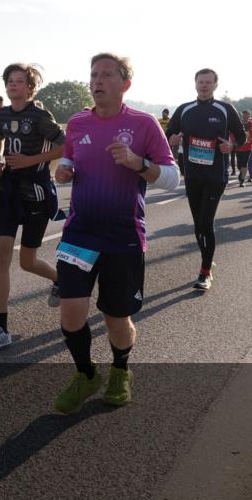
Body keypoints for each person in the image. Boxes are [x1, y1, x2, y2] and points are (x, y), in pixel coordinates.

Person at [53, 53, 178, 414]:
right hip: (80, 232)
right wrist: (64, 170)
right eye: (93, 74)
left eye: (106, 74)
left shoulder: (144, 124)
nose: (97, 81)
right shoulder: (76, 122)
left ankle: (121, 369)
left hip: (123, 234)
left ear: (125, 84)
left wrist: (140, 164)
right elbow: (70, 158)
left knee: (116, 318)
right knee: (70, 313)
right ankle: (86, 373)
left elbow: (172, 178)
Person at [0, 64, 65, 352]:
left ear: (31, 87)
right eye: (10, 81)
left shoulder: (40, 117)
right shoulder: (1, 114)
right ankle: (1, 328)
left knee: (27, 261)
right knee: (1, 255)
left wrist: (30, 161)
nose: (13, 85)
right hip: (8, 190)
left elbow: (66, 147)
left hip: (36, 191)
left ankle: (60, 280)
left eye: (19, 81)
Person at [166, 68, 246, 291]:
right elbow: (168, 134)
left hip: (215, 175)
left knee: (205, 222)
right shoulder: (184, 110)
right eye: (200, 82)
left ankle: (205, 272)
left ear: (215, 86)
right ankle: (207, 259)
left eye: (208, 82)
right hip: (192, 174)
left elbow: (241, 136)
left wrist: (232, 146)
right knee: (197, 223)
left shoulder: (225, 109)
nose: (204, 85)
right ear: (195, 84)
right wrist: (171, 140)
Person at [235, 110, 252, 187]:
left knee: (244, 163)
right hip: (238, 147)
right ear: (242, 116)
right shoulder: (238, 124)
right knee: (239, 165)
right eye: (244, 115)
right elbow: (232, 133)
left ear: (249, 116)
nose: (245, 117)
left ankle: (242, 181)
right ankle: (241, 173)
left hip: (248, 147)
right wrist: (234, 142)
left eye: (247, 115)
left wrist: (250, 140)